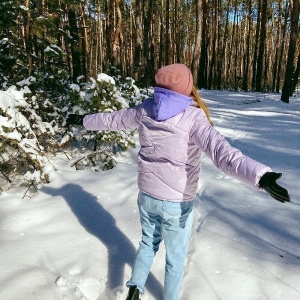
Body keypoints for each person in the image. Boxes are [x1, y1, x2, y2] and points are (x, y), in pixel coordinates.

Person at [66, 63, 290, 300]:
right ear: (187, 86)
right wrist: (259, 175)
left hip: (147, 195)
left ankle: (134, 290)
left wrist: (83, 120)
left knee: (147, 243)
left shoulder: (147, 108)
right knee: (175, 257)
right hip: (176, 203)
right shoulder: (193, 117)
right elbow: (223, 154)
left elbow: (113, 120)